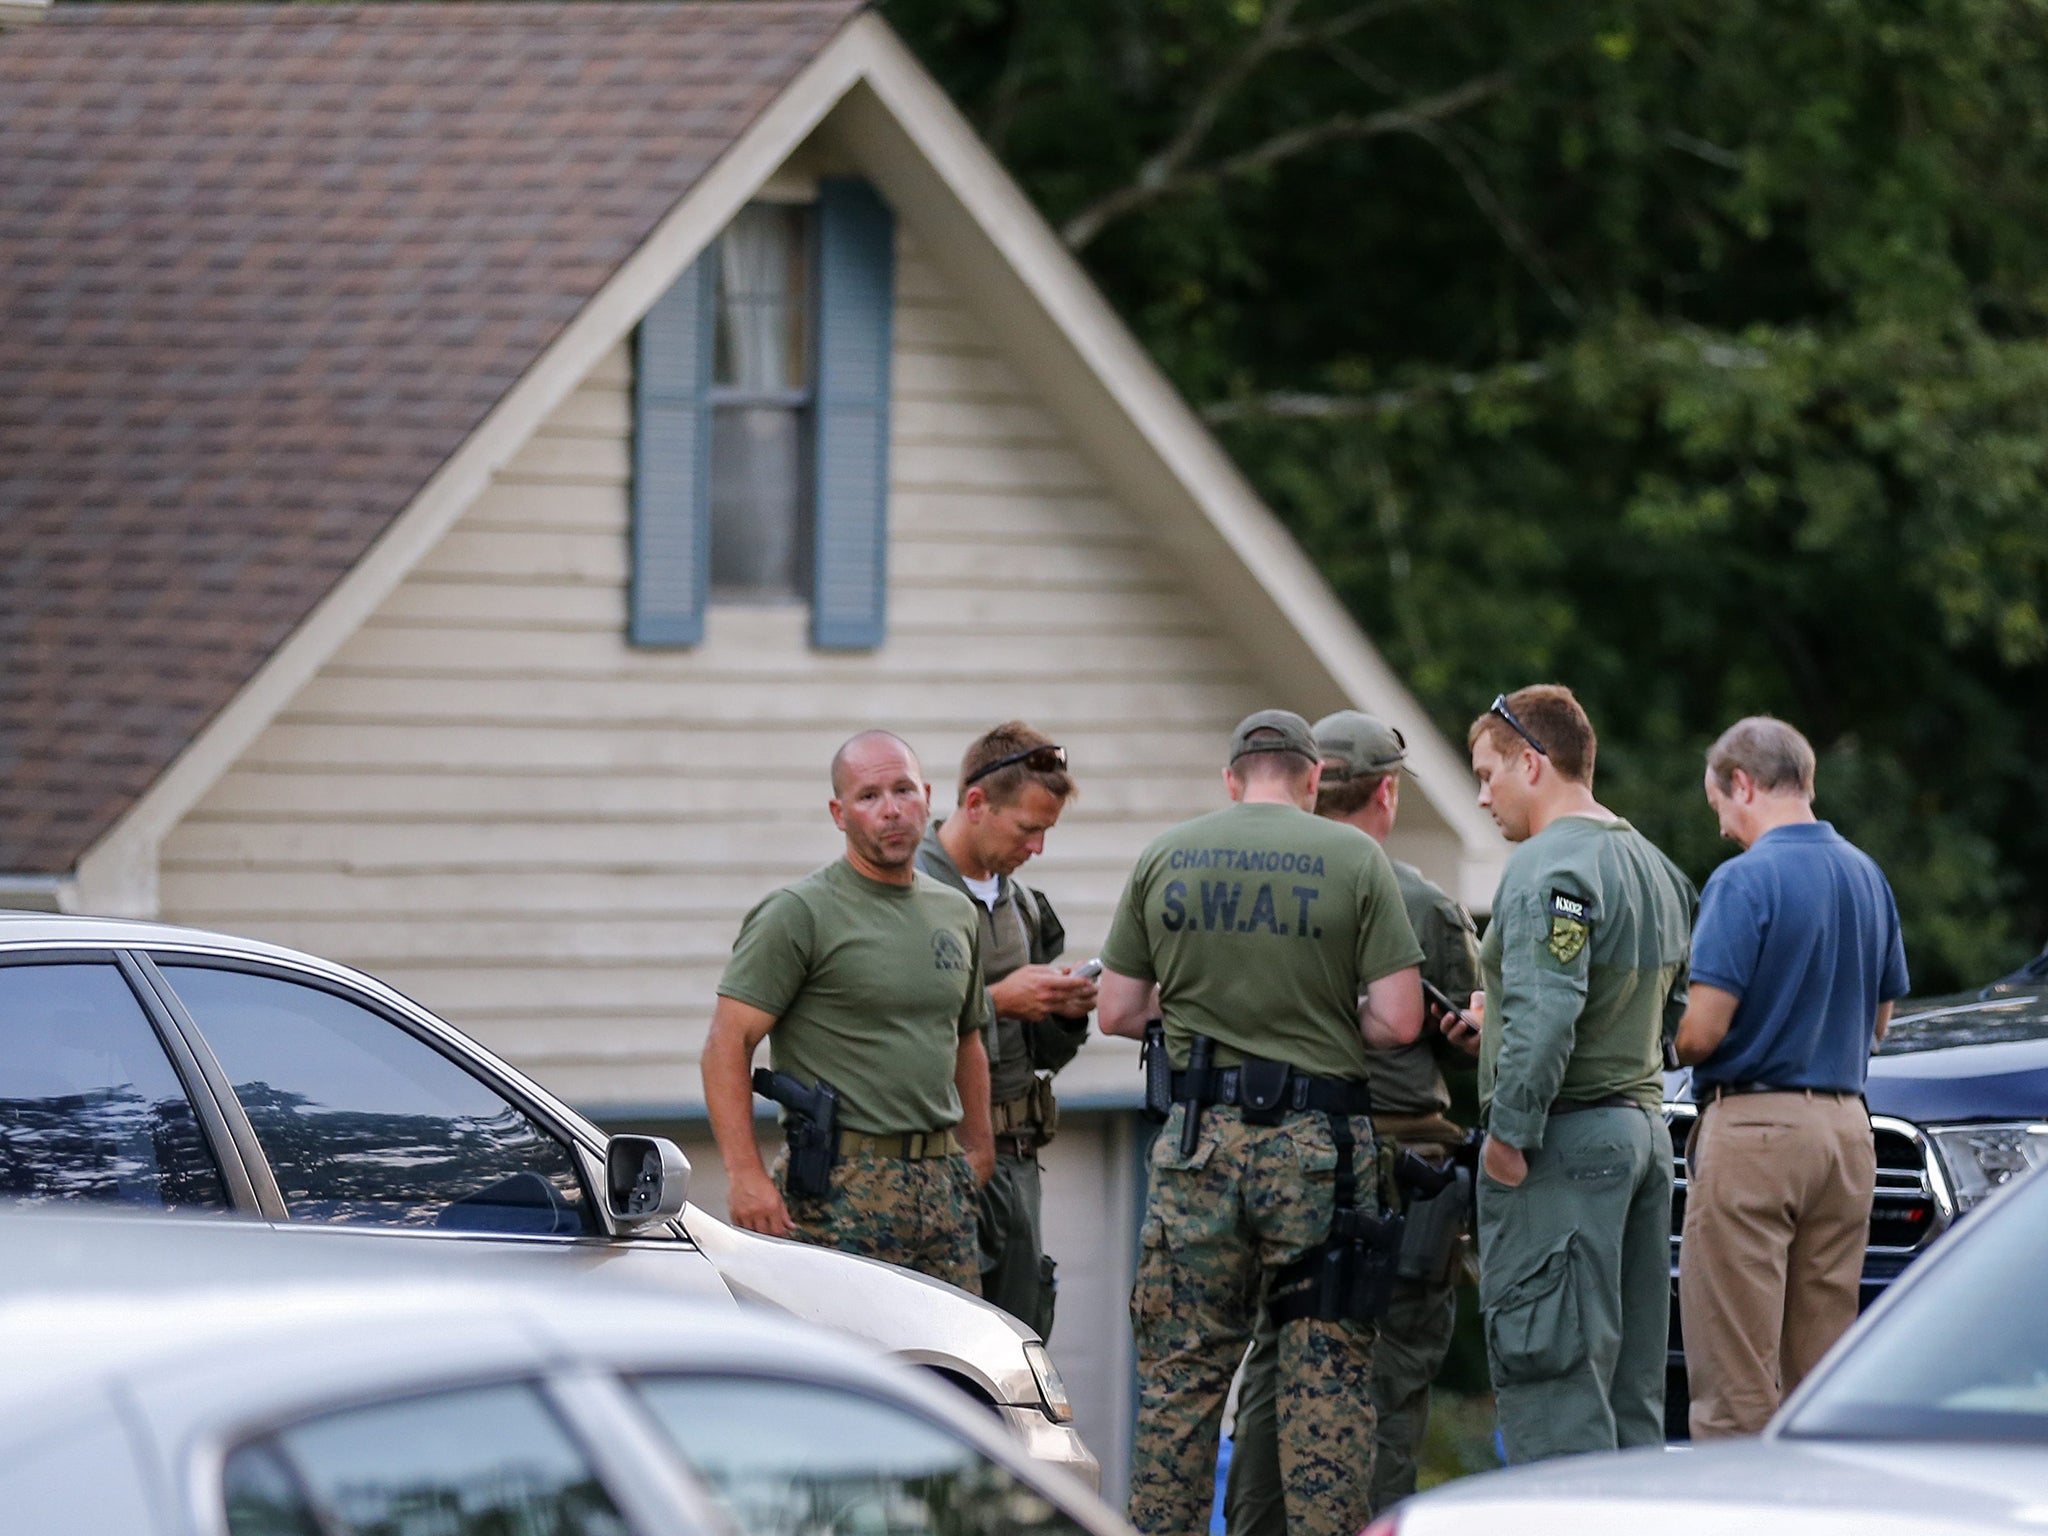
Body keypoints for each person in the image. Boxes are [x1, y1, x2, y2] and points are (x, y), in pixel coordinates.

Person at [1098, 709, 1425, 1536]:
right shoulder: (1355, 857)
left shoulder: (1167, 855)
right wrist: (1311, 1013)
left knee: (1179, 1383)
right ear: (1315, 779)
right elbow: (1398, 1020)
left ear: (1232, 778)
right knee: (1326, 1389)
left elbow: (1118, 1010)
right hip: (1318, 1155)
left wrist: (1212, 1017)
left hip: (1196, 1146)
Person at [1225, 710, 1481, 1532]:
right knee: (1387, 1383)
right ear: (1389, 793)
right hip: (1396, 1174)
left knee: (1272, 1368)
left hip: (1274, 1155)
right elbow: (1474, 1050)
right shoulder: (1422, 906)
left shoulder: (1252, 890)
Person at [1462, 685, 1694, 1463]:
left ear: (1532, 763)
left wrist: (1509, 1134)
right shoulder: (1657, 867)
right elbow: (1671, 1012)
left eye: (1488, 773)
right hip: (1641, 1136)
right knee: (1630, 1395)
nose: (1482, 794)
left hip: (1563, 1147)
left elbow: (1552, 1012)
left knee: (1556, 1386)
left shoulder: (1544, 870)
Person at [1674, 716, 1908, 1439]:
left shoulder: (1744, 880)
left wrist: (1656, 1038)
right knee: (1821, 1377)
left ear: (1742, 782)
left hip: (1757, 1133)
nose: (1722, 829)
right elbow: (1880, 1024)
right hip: (1846, 1131)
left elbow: (1703, 1030)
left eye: (1721, 806)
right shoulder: (1867, 875)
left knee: (1735, 1383)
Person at [701, 730, 995, 1289]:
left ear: (928, 797)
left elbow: (967, 1038)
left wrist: (978, 1150)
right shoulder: (798, 912)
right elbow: (727, 1043)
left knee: (955, 1366)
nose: (891, 810)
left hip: (943, 1187)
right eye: (869, 796)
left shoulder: (955, 912)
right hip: (840, 1188)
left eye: (904, 790)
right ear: (839, 813)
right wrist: (745, 1175)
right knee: (848, 1364)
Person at [917, 722, 1098, 1336]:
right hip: (939, 1158)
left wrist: (1065, 1012)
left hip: (1018, 1158)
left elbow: (1039, 1054)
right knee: (941, 1347)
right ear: (975, 804)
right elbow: (887, 1026)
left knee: (1016, 1351)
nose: (1038, 847)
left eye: (1046, 831)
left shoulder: (1024, 907)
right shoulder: (904, 892)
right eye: (1028, 829)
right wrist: (998, 999)